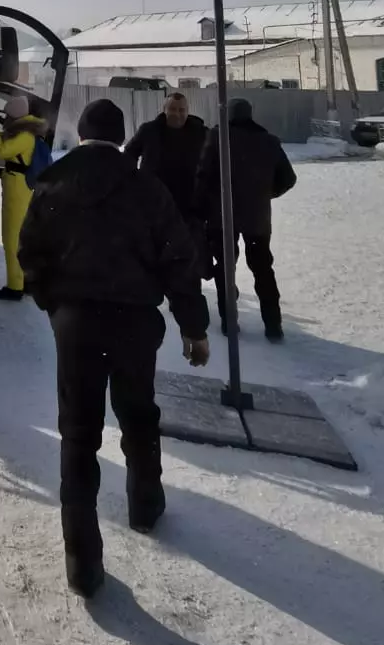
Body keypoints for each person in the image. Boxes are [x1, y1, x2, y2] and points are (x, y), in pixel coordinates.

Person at [19, 98, 209, 600]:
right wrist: (194, 327)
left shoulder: (53, 184)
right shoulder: (148, 189)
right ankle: (146, 505)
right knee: (139, 415)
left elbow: (30, 253)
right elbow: (179, 261)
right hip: (134, 322)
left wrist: (54, 305)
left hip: (76, 324)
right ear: (122, 137)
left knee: (78, 434)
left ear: (82, 135)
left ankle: (82, 561)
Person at [196, 97, 296, 341]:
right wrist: (264, 194)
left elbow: (203, 175)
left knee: (225, 269)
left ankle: (229, 322)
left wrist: (202, 207)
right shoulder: (269, 141)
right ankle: (273, 325)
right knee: (263, 270)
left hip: (222, 217)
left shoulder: (217, 137)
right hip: (257, 218)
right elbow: (288, 178)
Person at [0, 92, 49, 302]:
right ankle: (25, 281)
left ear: (15, 116)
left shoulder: (24, 136)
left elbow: (1, 151)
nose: (5, 119)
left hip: (17, 190)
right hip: (19, 187)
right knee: (21, 237)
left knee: (12, 239)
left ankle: (15, 287)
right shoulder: (26, 131)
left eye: (7, 116)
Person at [126, 91, 208, 255]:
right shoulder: (149, 131)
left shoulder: (201, 133)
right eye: (172, 109)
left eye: (181, 110)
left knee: (192, 254)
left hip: (189, 205)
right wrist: (135, 184)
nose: (177, 114)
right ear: (164, 110)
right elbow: (128, 156)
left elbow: (214, 161)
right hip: (154, 203)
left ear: (188, 111)